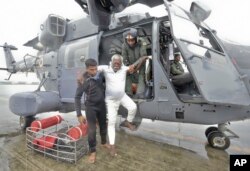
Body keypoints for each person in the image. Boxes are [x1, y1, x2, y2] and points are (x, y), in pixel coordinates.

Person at [98, 54, 137, 157]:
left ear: (121, 63)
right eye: (115, 62)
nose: (116, 64)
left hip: (122, 97)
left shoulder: (124, 69)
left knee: (133, 107)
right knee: (111, 123)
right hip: (111, 101)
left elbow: (133, 67)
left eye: (118, 63)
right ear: (112, 62)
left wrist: (145, 58)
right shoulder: (105, 68)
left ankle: (127, 122)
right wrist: (84, 74)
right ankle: (112, 146)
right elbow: (92, 69)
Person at [75, 58, 109, 164]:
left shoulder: (100, 75)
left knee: (104, 125)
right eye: (91, 70)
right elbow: (77, 97)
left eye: (95, 69)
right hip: (91, 107)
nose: (94, 72)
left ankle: (103, 142)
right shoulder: (82, 80)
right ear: (87, 69)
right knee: (92, 130)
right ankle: (92, 151)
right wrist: (79, 114)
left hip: (102, 105)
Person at [122, 28, 148, 98]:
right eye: (128, 40)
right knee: (126, 75)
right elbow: (124, 58)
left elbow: (143, 56)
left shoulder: (141, 42)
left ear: (136, 38)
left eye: (132, 40)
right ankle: (128, 94)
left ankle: (140, 94)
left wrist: (134, 66)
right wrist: (128, 67)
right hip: (130, 64)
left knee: (141, 76)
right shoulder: (124, 45)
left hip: (141, 63)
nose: (130, 42)